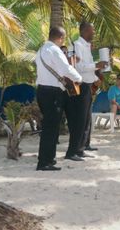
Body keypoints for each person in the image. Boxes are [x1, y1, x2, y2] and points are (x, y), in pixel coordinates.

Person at [35, 26, 82, 171]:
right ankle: (44, 162)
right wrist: (78, 78)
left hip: (42, 90)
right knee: (51, 128)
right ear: (61, 38)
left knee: (49, 127)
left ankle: (49, 158)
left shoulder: (41, 50)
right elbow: (66, 69)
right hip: (52, 93)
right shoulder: (55, 50)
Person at [73, 22, 108, 154]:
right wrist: (96, 65)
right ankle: (79, 147)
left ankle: (85, 144)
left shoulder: (87, 47)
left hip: (88, 85)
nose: (94, 33)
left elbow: (89, 68)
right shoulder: (78, 45)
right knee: (82, 118)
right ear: (84, 31)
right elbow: (79, 67)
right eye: (92, 30)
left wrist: (96, 78)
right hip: (81, 86)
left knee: (88, 117)